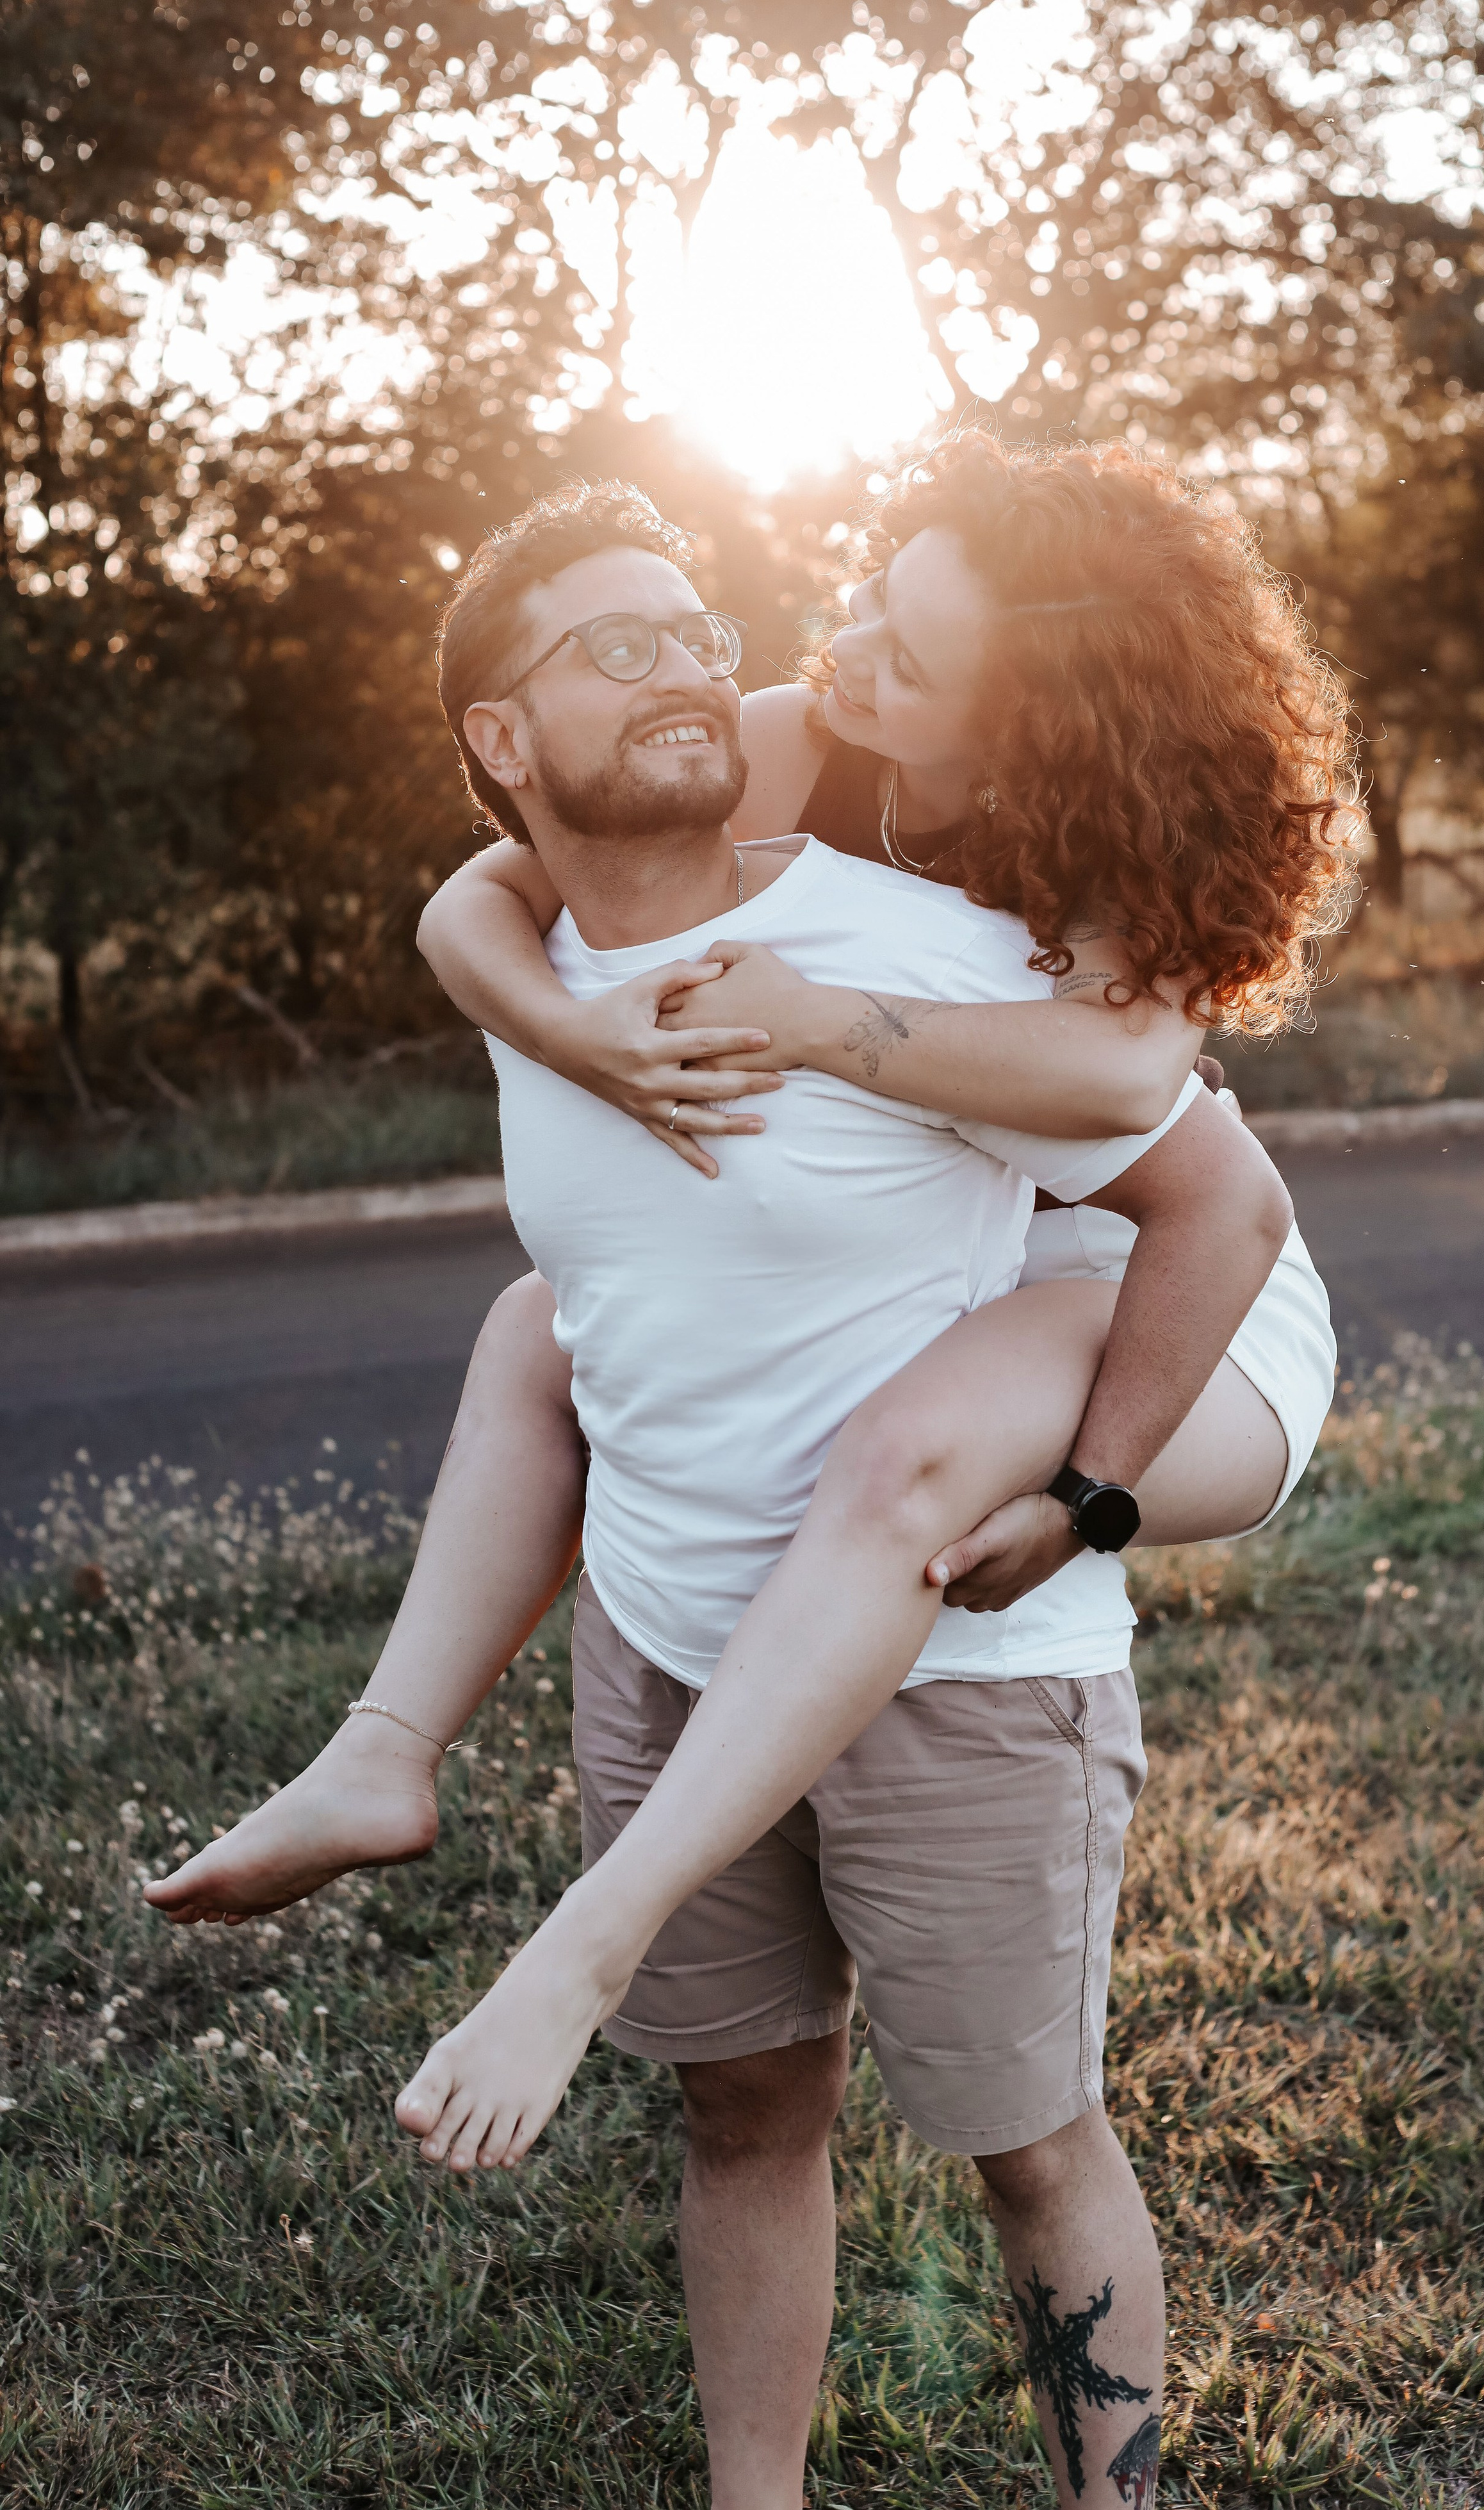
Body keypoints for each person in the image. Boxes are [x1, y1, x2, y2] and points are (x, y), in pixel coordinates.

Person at [150, 447, 1351, 2510]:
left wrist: (1096, 1497)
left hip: (1022, 1558)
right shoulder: (668, 842)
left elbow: (1200, 1183)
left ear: (1027, 718)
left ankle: (586, 1953)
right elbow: (485, 892)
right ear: (506, 735)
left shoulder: (990, 938)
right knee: (742, 2109)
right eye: (630, 642)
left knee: (1031, 2143)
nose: (790, 658)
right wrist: (565, 1017)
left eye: (694, 634)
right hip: (681, 1647)